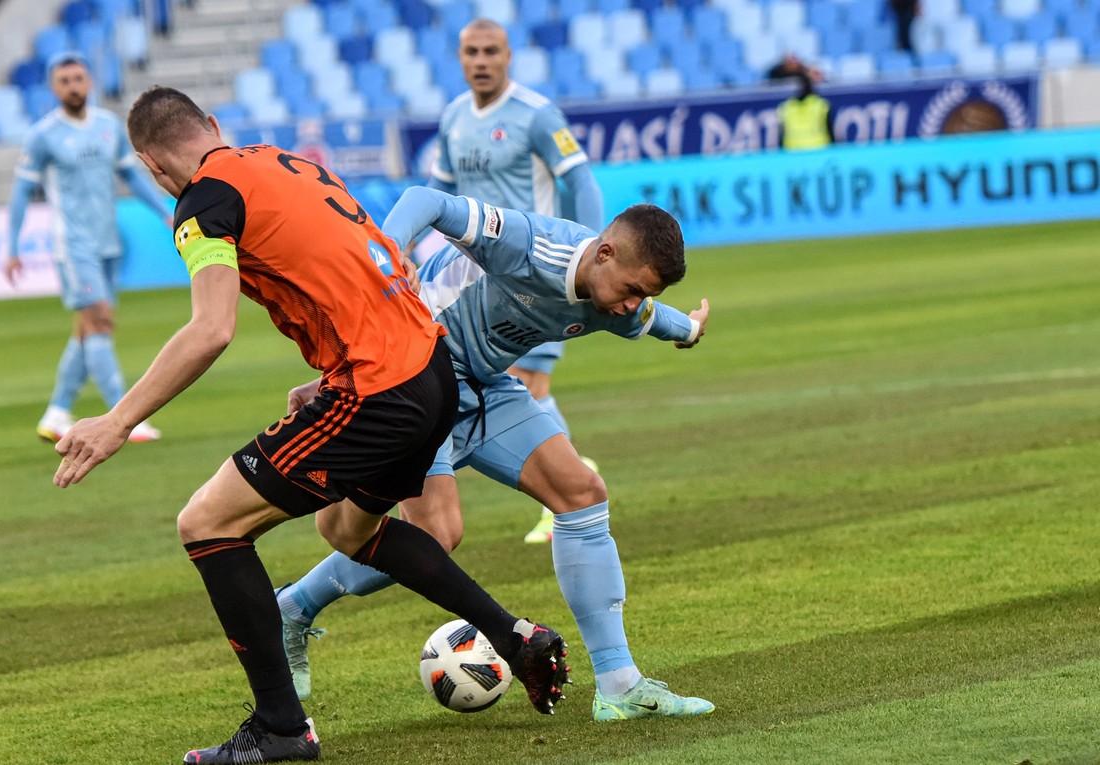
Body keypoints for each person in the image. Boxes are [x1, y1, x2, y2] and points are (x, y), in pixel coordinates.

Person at [55, 86, 570, 764]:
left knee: (207, 523)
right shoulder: (282, 161)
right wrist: (333, 373)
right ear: (213, 125)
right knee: (347, 529)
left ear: (150, 165)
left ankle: (280, 727)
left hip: (379, 388)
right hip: (427, 365)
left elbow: (211, 330)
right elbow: (359, 267)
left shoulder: (203, 204)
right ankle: (516, 637)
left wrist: (118, 420)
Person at [276, 187, 715, 723]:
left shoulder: (616, 302)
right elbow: (425, 201)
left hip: (482, 385)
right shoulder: (528, 244)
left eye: (639, 295)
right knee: (436, 536)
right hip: (413, 378)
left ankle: (619, 684)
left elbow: (651, 317)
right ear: (605, 253)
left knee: (581, 494)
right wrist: (387, 261)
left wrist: (689, 329)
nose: (629, 304)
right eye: (630, 289)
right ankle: (294, 606)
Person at [429, 18, 605, 544]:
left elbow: (580, 181)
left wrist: (591, 253)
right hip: (470, 289)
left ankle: (565, 491)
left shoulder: (536, 115)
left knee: (529, 384)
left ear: (509, 56)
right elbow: (438, 192)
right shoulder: (453, 118)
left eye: (491, 51)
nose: (480, 61)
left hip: (536, 278)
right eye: (471, 52)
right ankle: (569, 476)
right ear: (460, 58)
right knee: (497, 385)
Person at [5, 51, 171, 444]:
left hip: (108, 243)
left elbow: (132, 176)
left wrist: (165, 213)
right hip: (73, 244)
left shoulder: (109, 127)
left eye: (78, 78)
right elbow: (21, 193)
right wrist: (12, 248)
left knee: (87, 332)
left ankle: (57, 413)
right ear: (53, 88)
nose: (73, 86)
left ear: (90, 81)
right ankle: (124, 416)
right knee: (100, 321)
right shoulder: (44, 135)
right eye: (64, 81)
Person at [777, 72, 835, 151]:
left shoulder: (785, 107)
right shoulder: (821, 105)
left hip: (792, 150)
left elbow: (781, 135)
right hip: (819, 149)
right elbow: (830, 132)